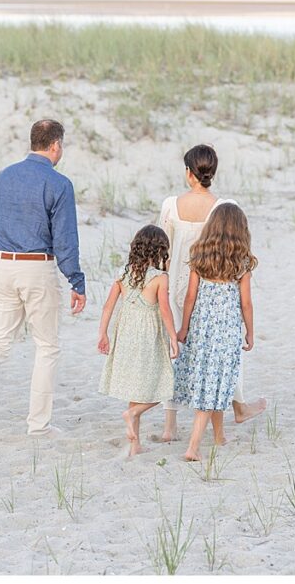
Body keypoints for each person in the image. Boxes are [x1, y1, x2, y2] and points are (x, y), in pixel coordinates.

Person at [0, 119, 86, 446]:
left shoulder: (4, 177)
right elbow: (65, 240)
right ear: (55, 146)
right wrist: (76, 281)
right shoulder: (59, 183)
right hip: (36, 266)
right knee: (47, 346)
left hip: (1, 264)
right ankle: (38, 426)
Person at [158, 144, 266, 441]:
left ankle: (169, 426)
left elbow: (162, 249)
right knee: (222, 353)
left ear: (188, 173)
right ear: (211, 173)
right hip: (212, 290)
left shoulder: (171, 205)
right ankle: (237, 405)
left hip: (179, 285)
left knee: (176, 352)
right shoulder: (224, 207)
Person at [172, 203, 258, 461]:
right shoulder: (241, 262)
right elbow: (246, 303)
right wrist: (250, 332)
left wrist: (185, 327)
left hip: (202, 329)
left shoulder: (200, 255)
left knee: (214, 383)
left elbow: (190, 297)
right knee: (214, 386)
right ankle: (193, 447)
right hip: (227, 331)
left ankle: (219, 436)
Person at [97, 225, 179, 456]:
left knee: (136, 388)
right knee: (165, 384)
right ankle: (133, 414)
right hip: (148, 337)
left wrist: (102, 333)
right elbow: (164, 310)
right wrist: (173, 338)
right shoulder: (160, 278)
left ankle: (135, 445)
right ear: (160, 250)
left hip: (126, 336)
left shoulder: (123, 274)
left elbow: (107, 306)